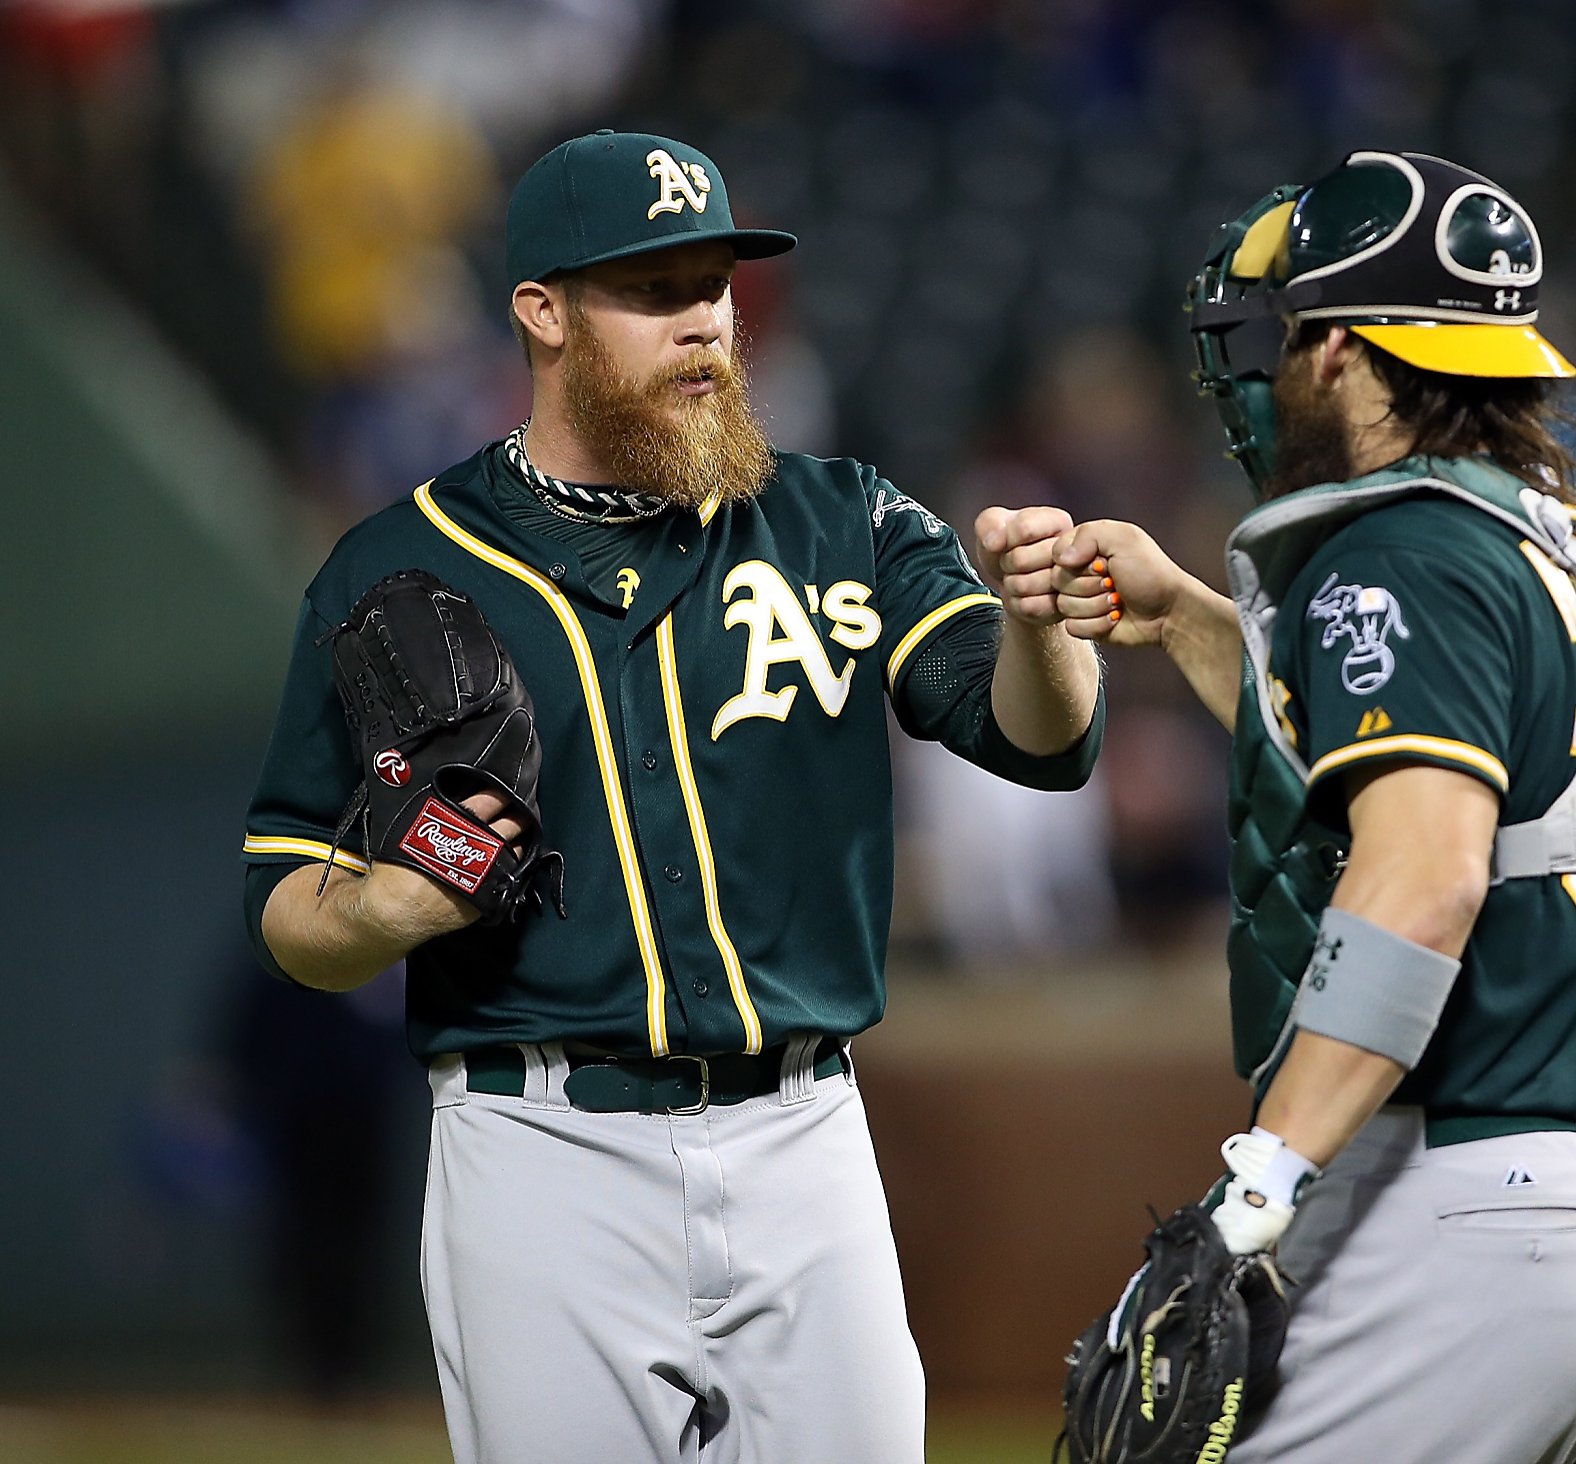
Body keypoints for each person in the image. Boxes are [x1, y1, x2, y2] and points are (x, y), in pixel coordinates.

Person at [240, 129, 1102, 1464]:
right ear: (543, 310)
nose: (704, 321)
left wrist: (1046, 630)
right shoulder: (399, 563)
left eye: (715, 284)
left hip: (805, 1129)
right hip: (542, 1148)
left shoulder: (841, 518)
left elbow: (1035, 740)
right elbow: (287, 906)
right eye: (652, 289)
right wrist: (391, 903)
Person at [1035, 152, 1576, 1461]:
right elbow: (1401, 744)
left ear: (1340, 348)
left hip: (1467, 1208)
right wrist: (1183, 614)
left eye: (1282, 338)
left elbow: (1426, 870)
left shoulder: (1402, 545)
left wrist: (1256, 1190)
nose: (1264, 371)